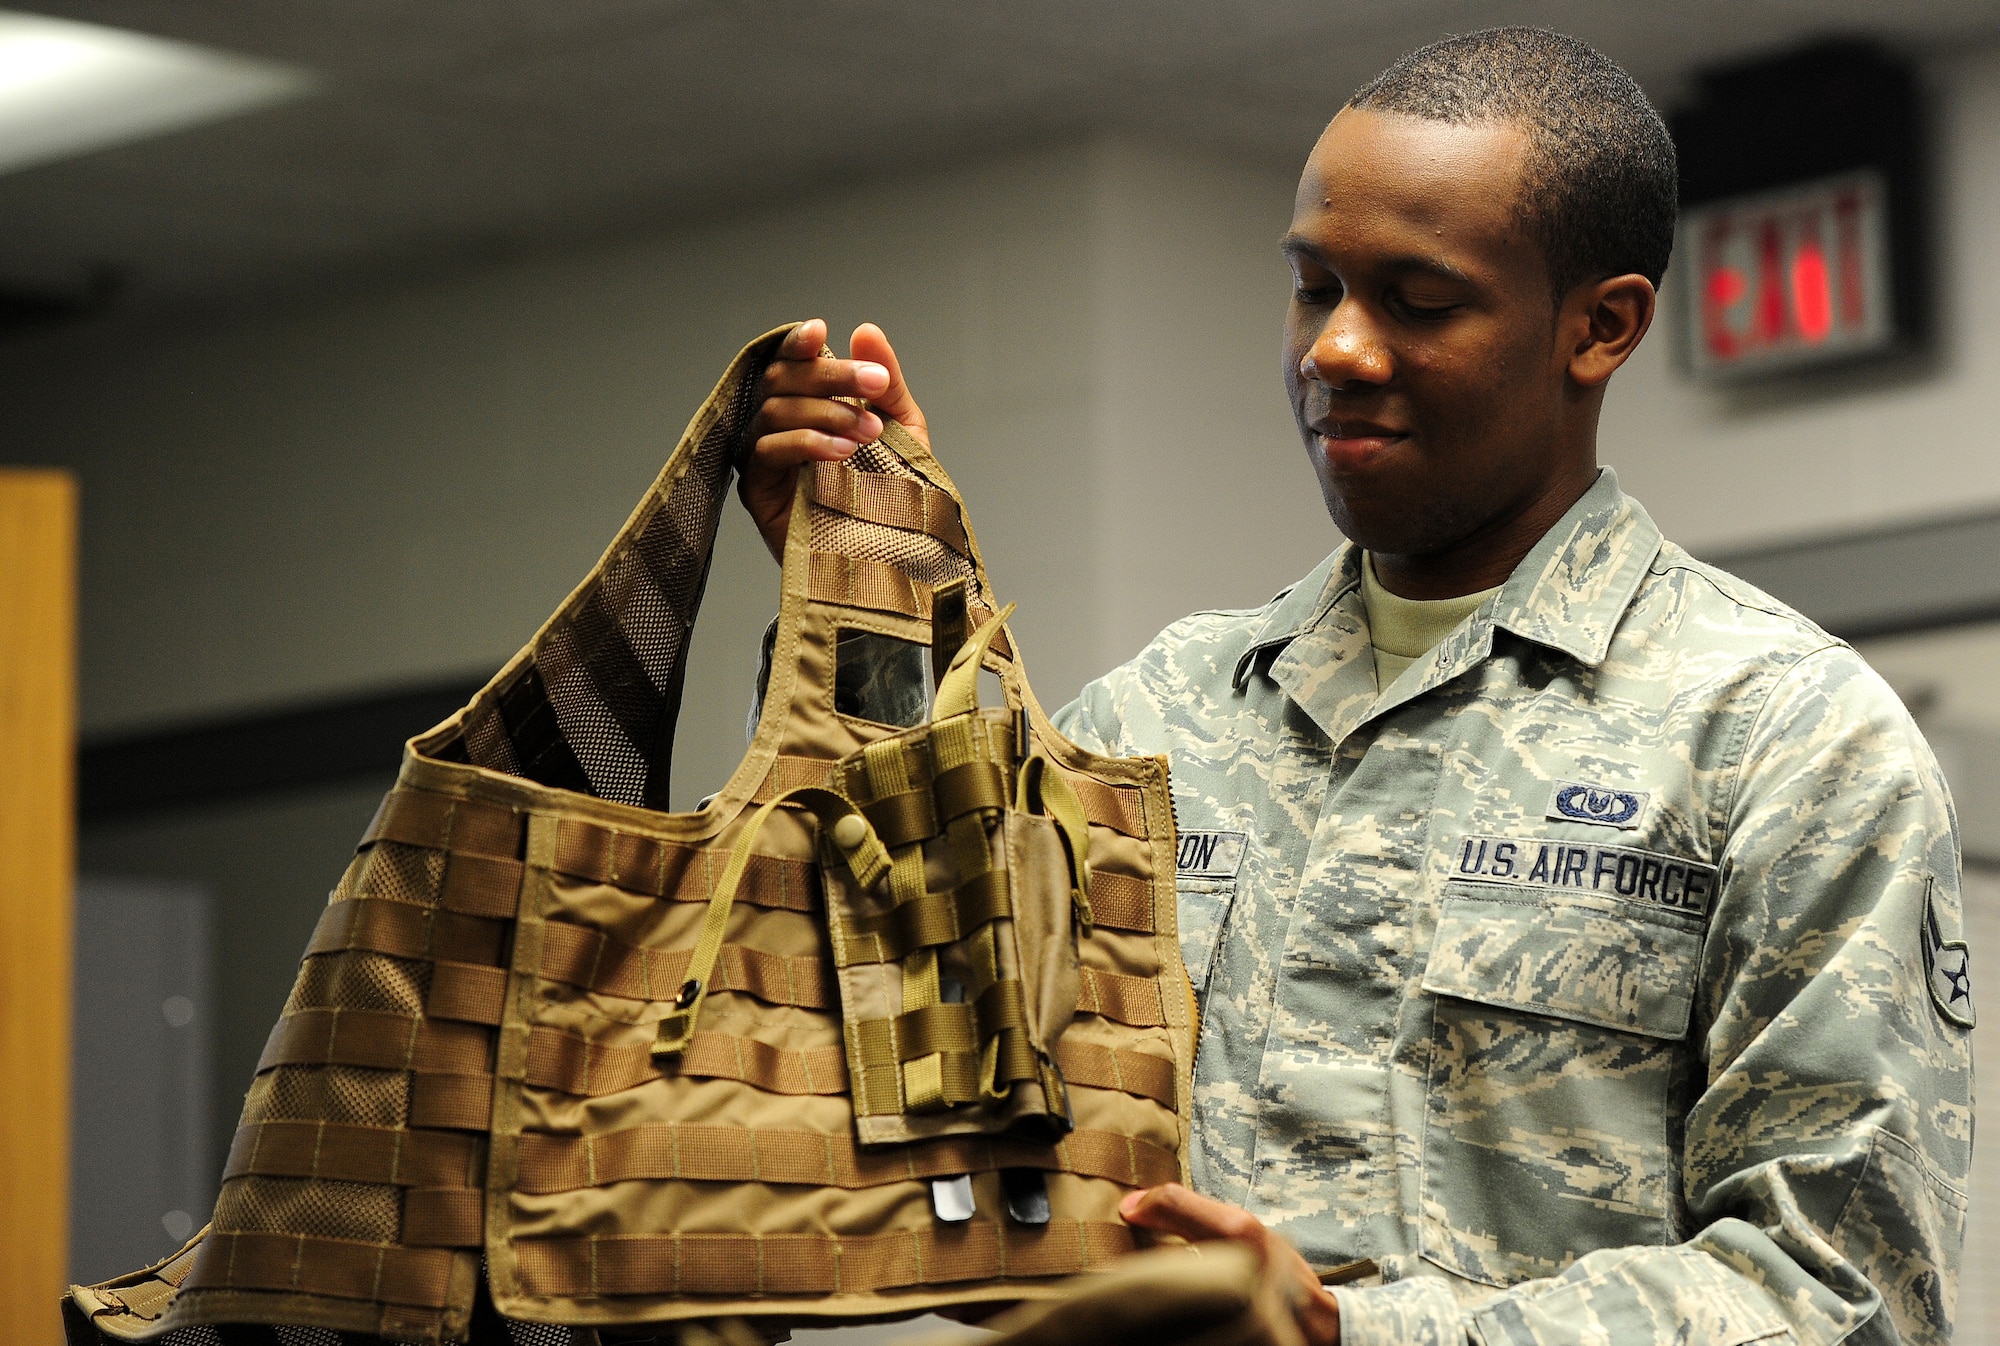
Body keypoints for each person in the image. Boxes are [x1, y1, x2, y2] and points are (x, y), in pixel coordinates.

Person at [739, 28, 1972, 1346]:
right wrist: (872, 592)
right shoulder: (1160, 715)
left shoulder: (1786, 740)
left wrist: (1348, 1335)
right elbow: (915, 1047)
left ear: (1599, 326)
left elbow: (1839, 1294)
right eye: (1314, 286)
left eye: (1417, 300)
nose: (1338, 348)